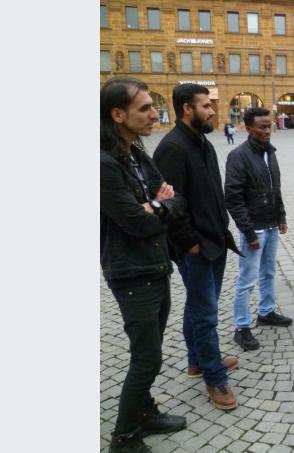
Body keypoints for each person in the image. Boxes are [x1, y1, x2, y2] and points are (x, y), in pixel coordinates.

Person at [100, 77, 187, 453]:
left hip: (156, 265)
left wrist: (158, 204)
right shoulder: (103, 164)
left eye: (154, 107)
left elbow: (175, 199)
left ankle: (145, 412)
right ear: (118, 115)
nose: (155, 114)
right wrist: (156, 206)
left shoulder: (135, 153)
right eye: (145, 109)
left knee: (149, 352)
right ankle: (124, 438)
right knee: (147, 357)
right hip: (130, 272)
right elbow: (137, 223)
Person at [153, 83, 240, 411]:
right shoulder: (172, 148)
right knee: (205, 313)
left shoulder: (202, 142)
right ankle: (214, 378)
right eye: (205, 106)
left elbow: (208, 193)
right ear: (187, 108)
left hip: (214, 240)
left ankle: (197, 360)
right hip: (196, 246)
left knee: (200, 305)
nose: (212, 111)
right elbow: (170, 202)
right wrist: (188, 243)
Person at [225, 107, 293, 352]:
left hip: (272, 224)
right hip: (255, 227)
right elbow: (233, 198)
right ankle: (241, 327)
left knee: (268, 273)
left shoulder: (270, 153)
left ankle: (266, 311)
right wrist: (249, 231)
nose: (267, 130)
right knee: (247, 279)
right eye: (262, 127)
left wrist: (281, 215)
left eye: (269, 126)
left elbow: (276, 188)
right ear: (248, 128)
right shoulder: (239, 156)